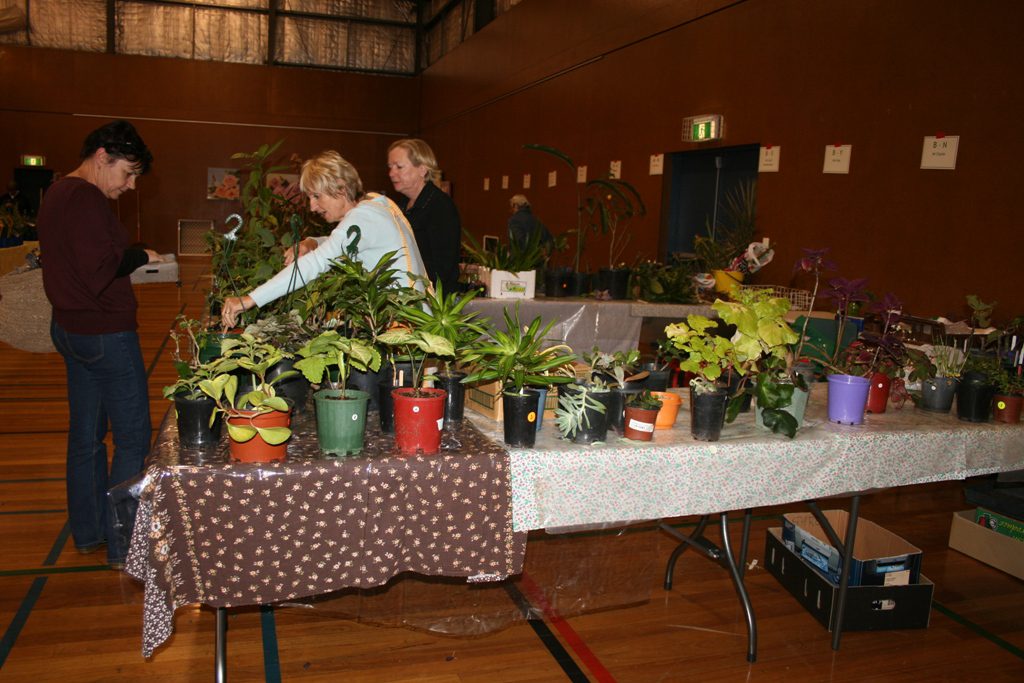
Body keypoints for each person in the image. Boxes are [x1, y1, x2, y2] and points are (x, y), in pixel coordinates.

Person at [37, 120, 160, 568]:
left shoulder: (57, 192)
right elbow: (100, 268)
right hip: (105, 333)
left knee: (86, 437)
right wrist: (142, 256)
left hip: (72, 330)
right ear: (103, 156)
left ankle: (89, 532)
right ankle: (123, 544)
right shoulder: (86, 198)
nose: (130, 186)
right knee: (132, 437)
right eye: (128, 173)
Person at [221, 150, 427, 327]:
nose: (312, 207)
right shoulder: (374, 204)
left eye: (317, 196)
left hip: (407, 325)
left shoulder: (362, 217)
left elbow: (316, 263)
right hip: (414, 316)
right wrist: (312, 242)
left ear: (340, 188)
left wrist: (250, 299)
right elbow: (345, 241)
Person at [387, 139, 461, 293]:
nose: (391, 173)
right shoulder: (401, 205)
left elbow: (443, 267)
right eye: (390, 167)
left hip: (433, 297)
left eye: (399, 167)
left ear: (422, 169)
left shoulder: (440, 206)